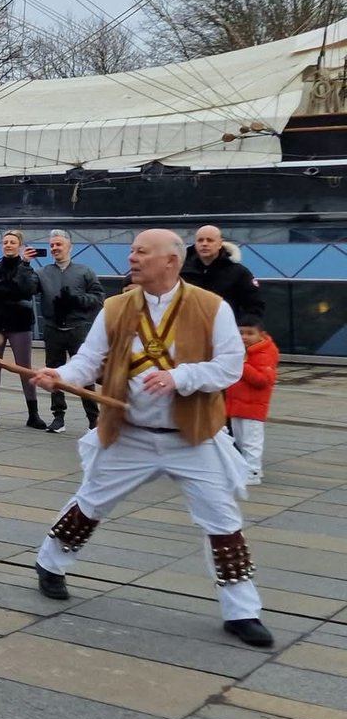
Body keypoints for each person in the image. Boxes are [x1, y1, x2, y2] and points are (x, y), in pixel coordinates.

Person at [29, 228, 273, 649]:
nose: (133, 258)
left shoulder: (211, 307)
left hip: (193, 436)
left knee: (223, 521)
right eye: (132, 251)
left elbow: (230, 366)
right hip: (130, 434)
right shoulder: (116, 306)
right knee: (91, 502)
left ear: (171, 261)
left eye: (142, 252)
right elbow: (88, 361)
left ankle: (242, 611)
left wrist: (181, 377)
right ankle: (49, 564)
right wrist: (60, 377)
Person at [30, 229, 105, 433]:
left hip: (78, 329)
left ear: (69, 247)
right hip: (53, 328)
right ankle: (58, 417)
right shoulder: (42, 272)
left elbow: (99, 299)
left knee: (86, 375)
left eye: (58, 244)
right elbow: (26, 288)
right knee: (53, 371)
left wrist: (77, 299)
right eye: (52, 245)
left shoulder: (84, 271)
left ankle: (93, 419)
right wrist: (23, 264)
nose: (54, 248)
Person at [0, 230, 44, 429]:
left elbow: (26, 290)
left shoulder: (27, 269)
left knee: (24, 369)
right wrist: (10, 291)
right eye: (5, 242)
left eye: (12, 242)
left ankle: (33, 414)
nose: (8, 245)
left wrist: (1, 291)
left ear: (20, 245)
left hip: (20, 324)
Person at [226, 313, 278, 486]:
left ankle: (253, 472)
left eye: (250, 333)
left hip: (253, 408)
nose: (244, 337)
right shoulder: (243, 352)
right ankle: (248, 470)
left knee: (251, 442)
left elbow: (262, 381)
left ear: (261, 335)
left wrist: (242, 364)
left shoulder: (263, 354)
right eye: (241, 333)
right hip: (237, 405)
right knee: (240, 440)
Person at [181, 225, 264, 319]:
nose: (204, 244)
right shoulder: (181, 271)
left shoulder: (239, 272)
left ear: (220, 244)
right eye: (200, 240)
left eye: (210, 240)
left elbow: (254, 306)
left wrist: (238, 327)